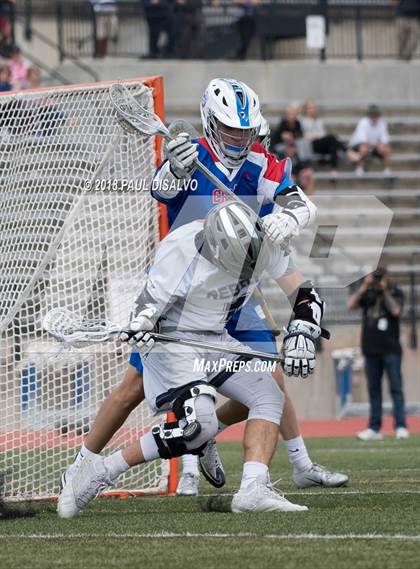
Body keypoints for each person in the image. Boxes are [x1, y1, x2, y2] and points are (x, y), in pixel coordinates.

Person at [59, 78, 347, 500]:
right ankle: (84, 465)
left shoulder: (263, 164)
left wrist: (291, 217)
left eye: (246, 131)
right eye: (230, 129)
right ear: (211, 123)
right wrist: (175, 168)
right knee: (133, 389)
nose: (240, 138)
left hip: (235, 297)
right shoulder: (191, 154)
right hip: (179, 294)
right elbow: (163, 190)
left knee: (267, 377)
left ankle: (291, 463)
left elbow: (299, 201)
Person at [57, 199, 329, 517]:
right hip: (173, 341)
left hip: (215, 335)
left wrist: (302, 333)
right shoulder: (180, 248)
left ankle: (253, 490)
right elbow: (147, 306)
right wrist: (142, 325)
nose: (242, 273)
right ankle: (102, 471)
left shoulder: (266, 241)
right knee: (198, 425)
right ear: (213, 246)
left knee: (268, 392)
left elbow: (305, 293)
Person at [347, 267, 409, 440]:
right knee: (374, 389)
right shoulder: (368, 292)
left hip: (391, 349)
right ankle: (374, 427)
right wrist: (363, 286)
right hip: (370, 348)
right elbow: (350, 305)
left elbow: (396, 311)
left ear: (387, 276)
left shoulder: (395, 291)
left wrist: (385, 290)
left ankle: (401, 426)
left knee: (396, 388)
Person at [300, 100, 359, 178]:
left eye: (313, 107)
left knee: (332, 143)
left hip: (322, 142)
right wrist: (316, 135)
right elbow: (303, 135)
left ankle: (333, 169)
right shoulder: (302, 120)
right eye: (310, 108)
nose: (312, 109)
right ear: (305, 109)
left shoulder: (318, 120)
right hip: (311, 144)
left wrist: (318, 135)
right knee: (332, 138)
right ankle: (348, 152)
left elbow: (323, 133)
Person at [349, 104, 392, 177]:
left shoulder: (382, 122)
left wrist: (381, 146)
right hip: (357, 145)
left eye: (376, 114)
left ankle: (386, 170)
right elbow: (363, 141)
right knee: (363, 148)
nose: (375, 116)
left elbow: (385, 140)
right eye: (373, 114)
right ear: (369, 115)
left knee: (387, 149)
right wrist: (378, 145)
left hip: (374, 146)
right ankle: (359, 168)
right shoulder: (363, 122)